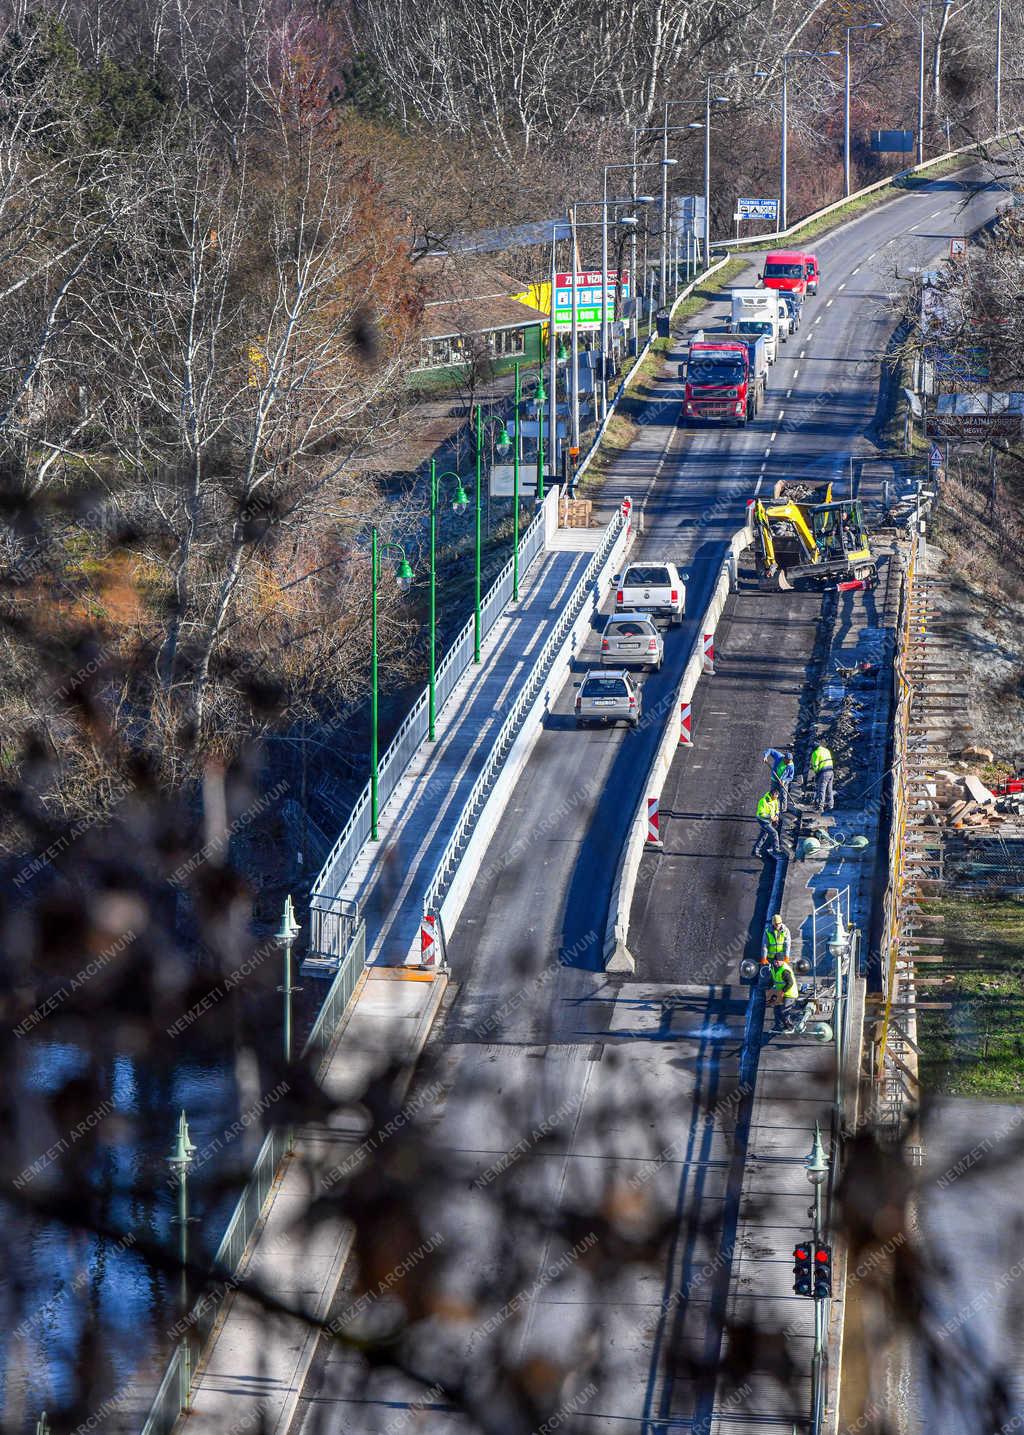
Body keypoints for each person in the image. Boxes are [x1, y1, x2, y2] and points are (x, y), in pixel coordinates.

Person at [768, 952, 799, 1031]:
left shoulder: (785, 970)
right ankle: (778, 1026)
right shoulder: (773, 968)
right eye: (775, 961)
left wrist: (783, 991)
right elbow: (773, 980)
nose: (776, 963)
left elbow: (790, 983)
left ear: (782, 961)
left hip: (789, 994)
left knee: (784, 1011)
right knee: (776, 1010)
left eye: (777, 961)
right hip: (779, 992)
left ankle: (790, 1026)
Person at [763, 747, 795, 812]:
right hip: (775, 780)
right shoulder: (779, 757)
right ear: (784, 758)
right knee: (772, 795)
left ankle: (783, 811)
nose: (788, 763)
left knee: (783, 796)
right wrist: (766, 756)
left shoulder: (791, 766)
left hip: (783, 783)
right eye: (787, 762)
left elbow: (790, 777)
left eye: (789, 762)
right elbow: (770, 750)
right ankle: (770, 810)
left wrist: (784, 780)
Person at [753, 790, 781, 858]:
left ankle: (755, 850)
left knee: (763, 836)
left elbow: (777, 809)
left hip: (769, 820)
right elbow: (761, 813)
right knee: (774, 833)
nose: (776, 799)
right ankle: (776, 850)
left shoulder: (775, 800)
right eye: (775, 797)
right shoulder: (763, 801)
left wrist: (776, 815)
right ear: (771, 795)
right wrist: (771, 817)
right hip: (763, 820)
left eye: (777, 797)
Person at [809, 743, 835, 813]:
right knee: (829, 789)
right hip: (831, 771)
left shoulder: (815, 753)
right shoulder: (826, 750)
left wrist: (816, 773)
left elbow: (815, 766)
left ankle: (820, 807)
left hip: (824, 773)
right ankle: (830, 805)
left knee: (821, 790)